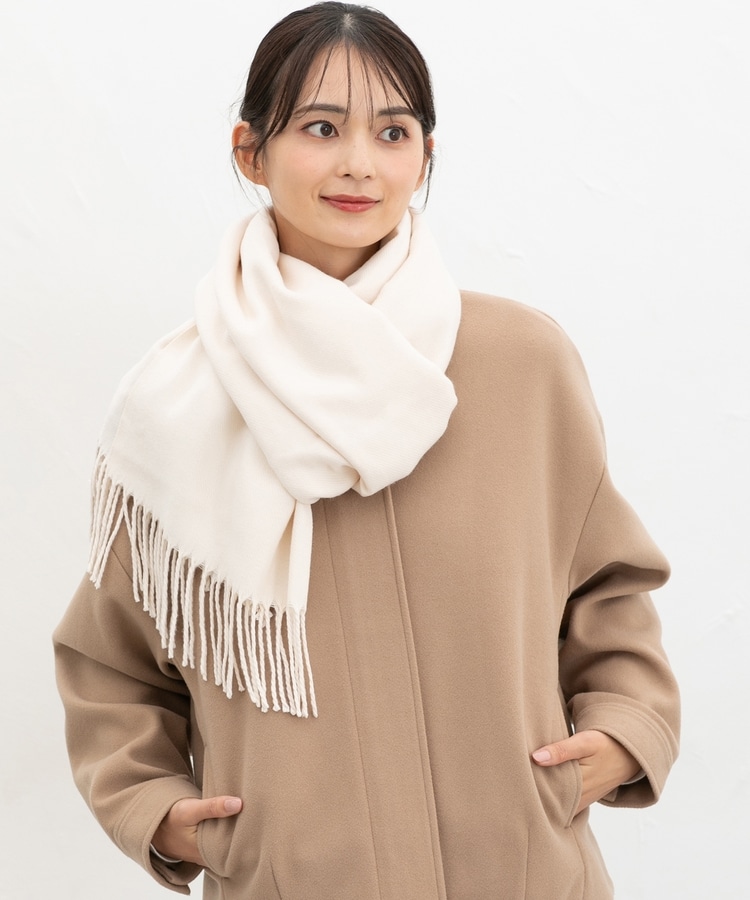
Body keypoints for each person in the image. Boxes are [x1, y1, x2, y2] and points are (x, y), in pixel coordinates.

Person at [53, 3, 680, 898]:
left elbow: (605, 585)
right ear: (250, 152)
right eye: (320, 128)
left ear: (424, 156)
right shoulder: (177, 404)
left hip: (524, 874)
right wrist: (158, 807)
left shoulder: (520, 363)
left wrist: (623, 731)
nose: (359, 162)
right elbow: (110, 660)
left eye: (393, 132)